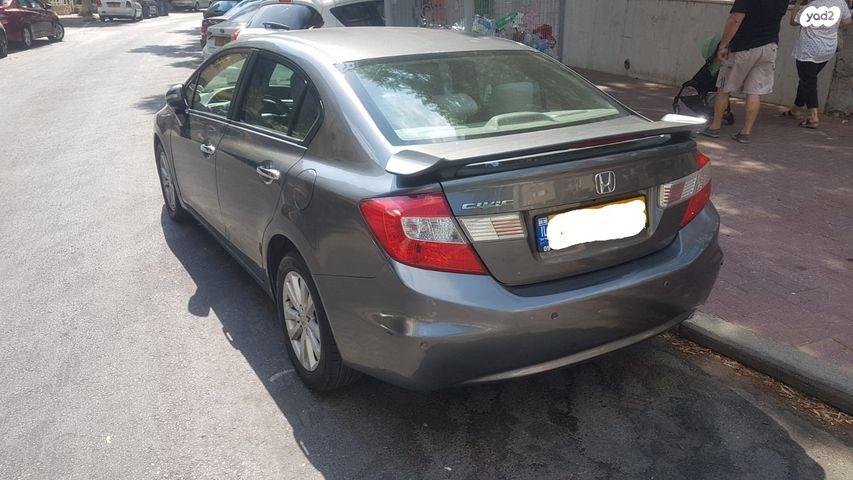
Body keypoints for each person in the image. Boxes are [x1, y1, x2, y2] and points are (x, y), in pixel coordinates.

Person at [702, 0, 790, 144]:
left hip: (743, 47)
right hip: (769, 47)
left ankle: (715, 127)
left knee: (724, 88)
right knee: (754, 92)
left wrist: (723, 45)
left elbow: (735, 19)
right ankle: (745, 132)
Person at [782, 0, 852, 128]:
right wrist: (833, 26)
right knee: (807, 78)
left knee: (809, 81)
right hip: (828, 49)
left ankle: (813, 117)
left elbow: (793, 22)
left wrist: (797, 4)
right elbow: (847, 21)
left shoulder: (811, 6)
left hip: (808, 49)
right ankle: (796, 109)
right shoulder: (840, 2)